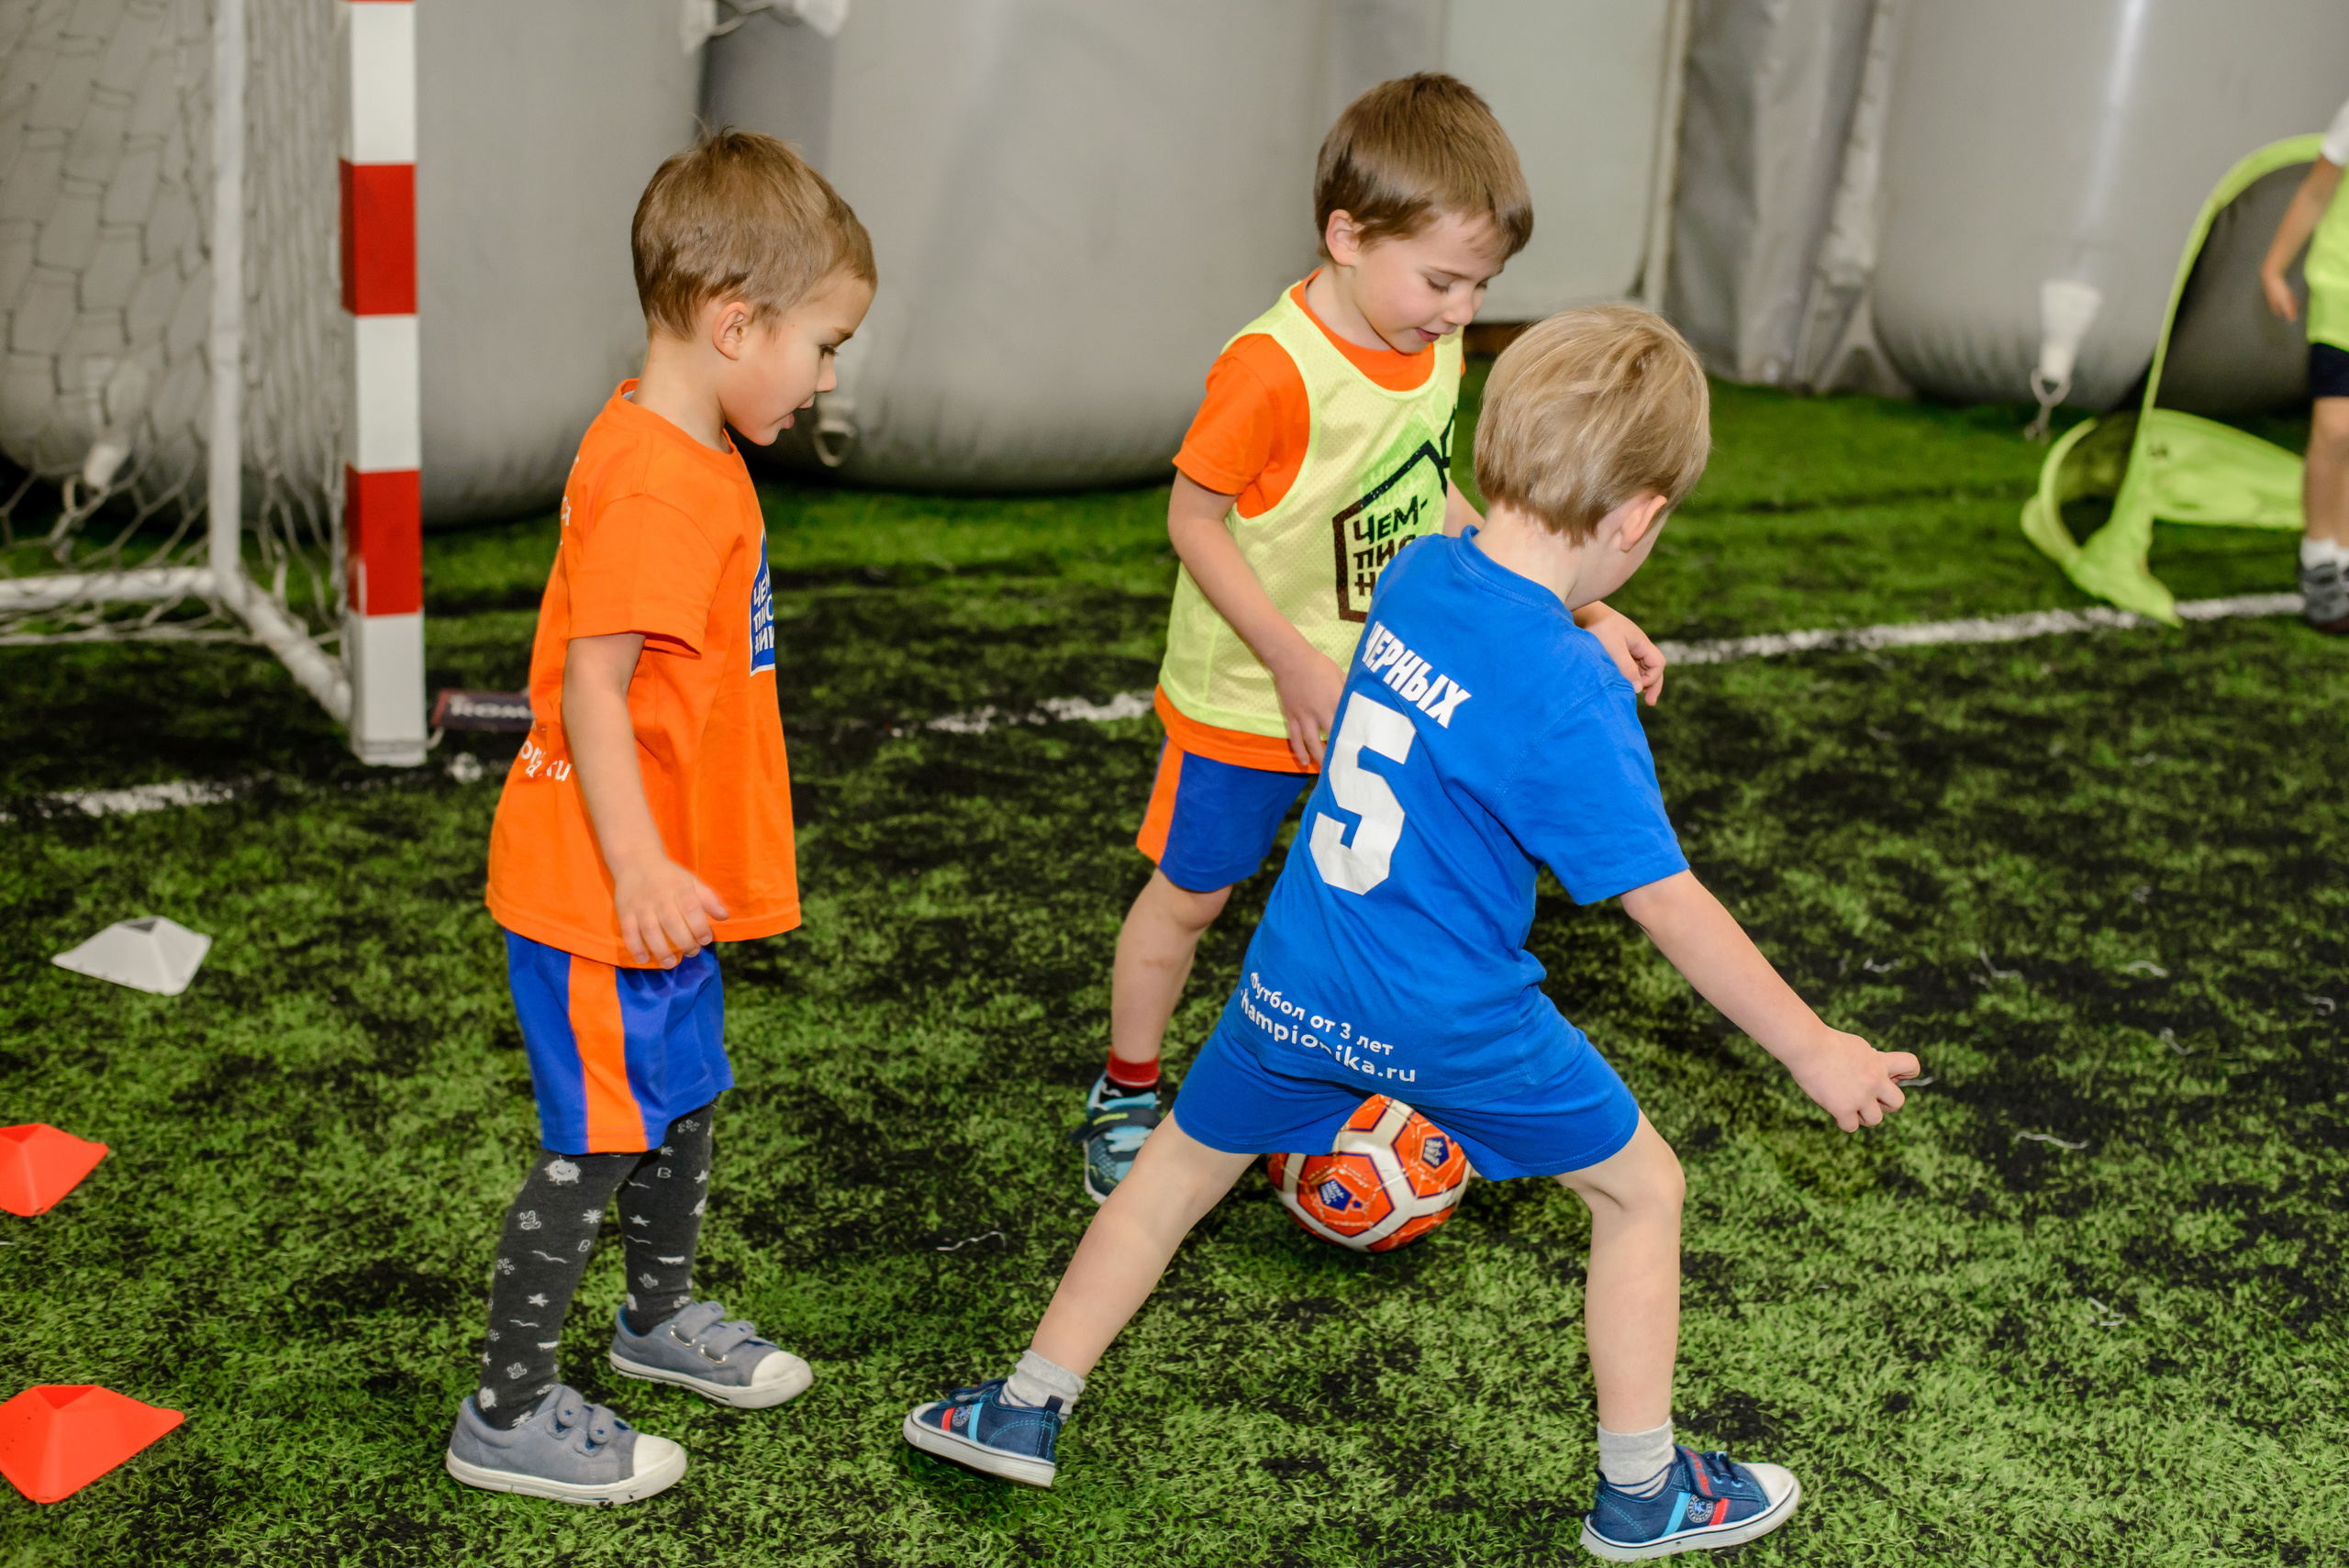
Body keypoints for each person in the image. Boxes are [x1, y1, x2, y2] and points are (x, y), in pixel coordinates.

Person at [910, 307, 1920, 1561]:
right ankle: (1642, 1489)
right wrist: (1813, 1046)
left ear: (1493, 450)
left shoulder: (1416, 573)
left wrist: (1582, 617)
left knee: (1170, 1177)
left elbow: (1480, 580)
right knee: (1642, 1189)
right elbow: (1667, 902)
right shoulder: (1568, 696)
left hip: (1297, 972)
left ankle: (1023, 1406)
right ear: (1641, 518)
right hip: (1449, 1017)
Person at [1076, 74, 1667, 1204]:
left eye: (1481, 285)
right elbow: (1191, 521)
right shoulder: (1270, 370)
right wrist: (1291, 662)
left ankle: (1347, 1074)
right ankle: (1126, 1088)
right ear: (1347, 237)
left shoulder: (1433, 347)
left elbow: (1429, 493)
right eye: (1441, 280)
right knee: (1192, 896)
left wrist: (1581, 605)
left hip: (1382, 687)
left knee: (1371, 899)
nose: (1460, 309)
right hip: (1249, 695)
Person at [442, 131, 874, 1505]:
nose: (826, 378)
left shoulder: (686, 442)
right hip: (599, 890)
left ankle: (654, 1317)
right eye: (822, 346)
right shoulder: (653, 480)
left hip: (659, 880)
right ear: (734, 323)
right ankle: (506, 1410)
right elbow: (591, 684)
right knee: (601, 1141)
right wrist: (635, 865)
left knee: (683, 1102)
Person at [2260, 95, 2349, 633]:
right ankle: (2317, 556)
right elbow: (2316, 192)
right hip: (2342, 295)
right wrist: (2274, 268)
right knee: (2336, 429)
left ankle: (2343, 555)